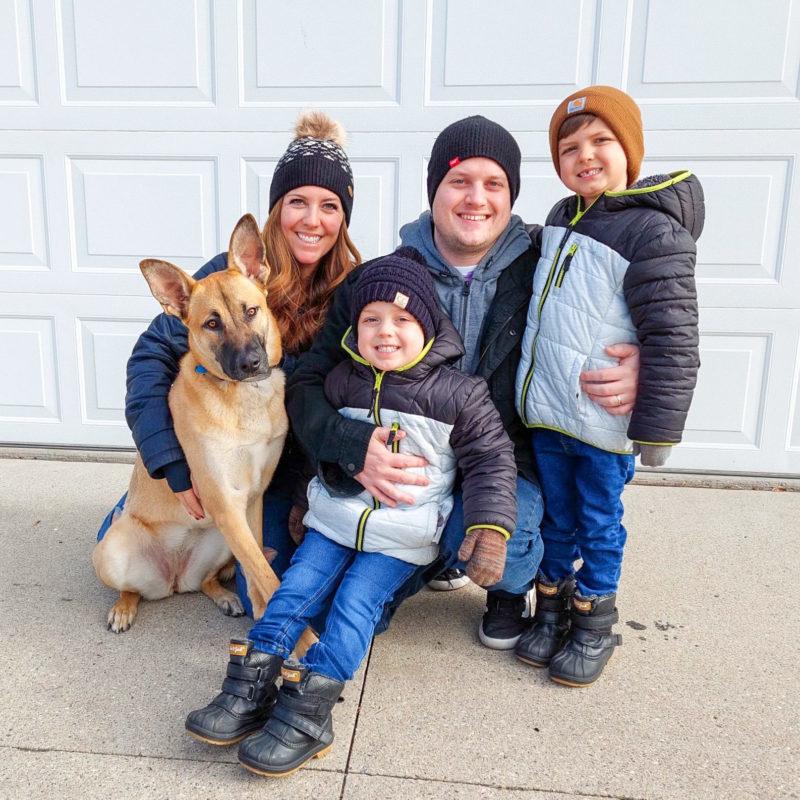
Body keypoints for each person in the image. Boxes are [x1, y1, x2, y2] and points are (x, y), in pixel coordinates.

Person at [285, 115, 642, 652]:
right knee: (327, 611)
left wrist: (643, 359)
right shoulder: (385, 280)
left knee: (508, 544)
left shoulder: (546, 265)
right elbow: (309, 382)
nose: (476, 198)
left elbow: (641, 299)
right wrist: (350, 446)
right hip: (406, 456)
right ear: (434, 191)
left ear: (511, 194)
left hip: (501, 458)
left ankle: (505, 588)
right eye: (459, 181)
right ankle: (418, 563)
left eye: (493, 184)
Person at [189, 249, 518, 777]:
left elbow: (492, 461)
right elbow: (314, 449)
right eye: (371, 320)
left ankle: (309, 710)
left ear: (430, 327)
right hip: (334, 522)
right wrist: (301, 502)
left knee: (352, 607)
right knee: (292, 591)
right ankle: (248, 686)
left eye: (403, 320)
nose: (386, 332)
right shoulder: (342, 380)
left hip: (401, 538)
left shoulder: (461, 395)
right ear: (354, 329)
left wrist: (489, 527)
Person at [97, 111, 361, 609]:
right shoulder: (225, 278)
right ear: (276, 211)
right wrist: (169, 463)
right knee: (130, 549)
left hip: (292, 472)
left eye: (328, 205)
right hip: (229, 462)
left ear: (343, 216)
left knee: (310, 592)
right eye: (297, 201)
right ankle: (137, 512)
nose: (312, 218)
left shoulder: (357, 290)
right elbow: (152, 356)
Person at [514, 85, 703, 686]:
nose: (585, 156)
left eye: (601, 141)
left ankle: (594, 619)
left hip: (601, 419)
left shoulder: (654, 231)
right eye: (570, 147)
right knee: (556, 520)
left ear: (631, 149)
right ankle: (552, 609)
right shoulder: (560, 217)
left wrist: (657, 428)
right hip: (550, 414)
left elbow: (673, 333)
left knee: (598, 521)